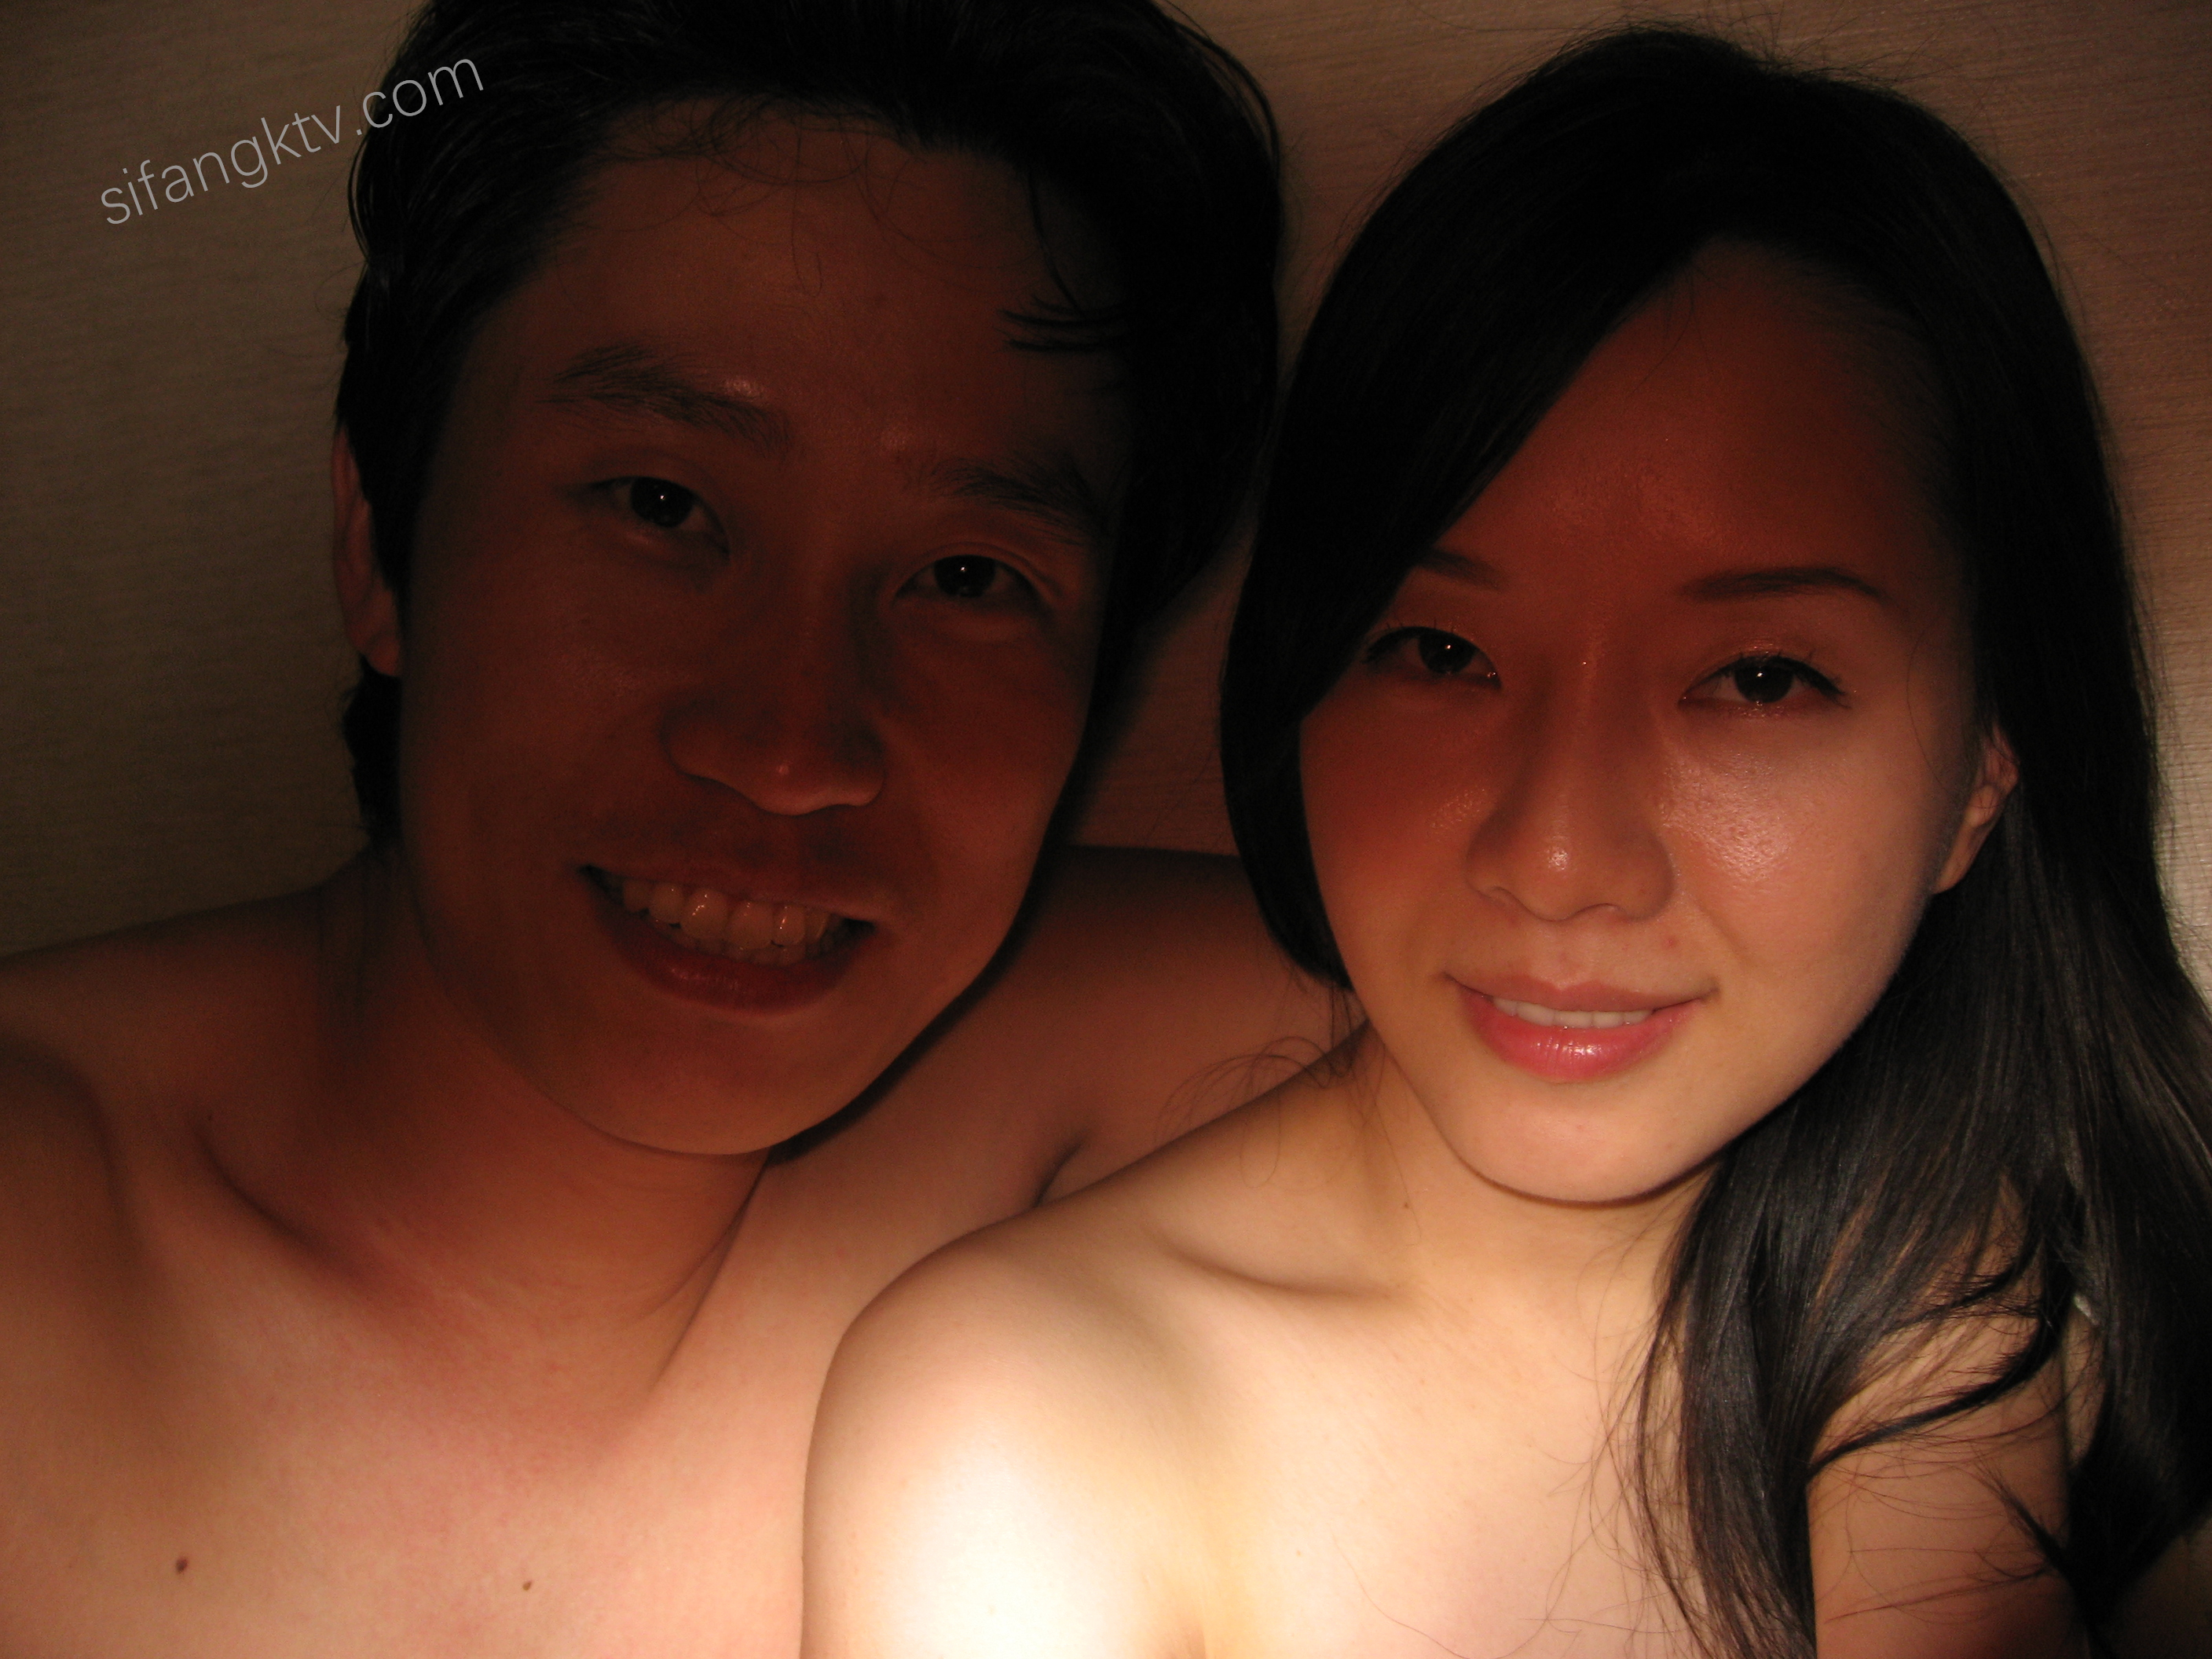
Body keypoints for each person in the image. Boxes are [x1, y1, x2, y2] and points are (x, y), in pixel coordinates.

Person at [805, 27, 2212, 1659]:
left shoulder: (2101, 1295)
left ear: (1986, 762)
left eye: (1758, 679)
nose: (1556, 858)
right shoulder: (1021, 1447)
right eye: (1440, 654)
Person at [0, 2, 1331, 1653]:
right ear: (380, 541)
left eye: (967, 578)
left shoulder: (1099, 1064)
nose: (789, 750)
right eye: (661, 506)